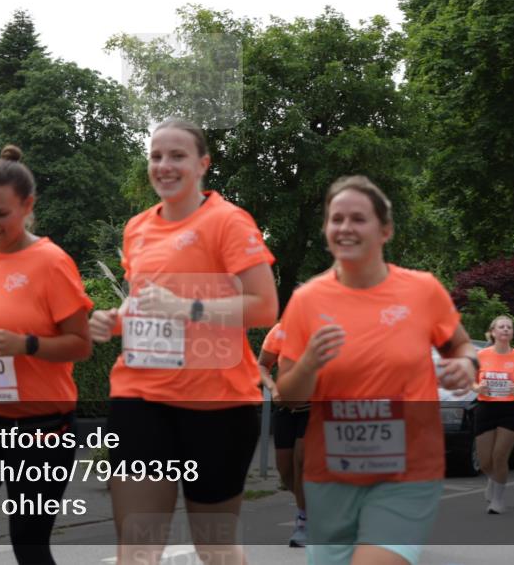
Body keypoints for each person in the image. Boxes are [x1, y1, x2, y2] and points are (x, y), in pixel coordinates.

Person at [89, 118, 278, 565]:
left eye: (177, 156)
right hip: (141, 397)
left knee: (213, 546)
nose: (164, 165)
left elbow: (264, 307)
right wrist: (114, 321)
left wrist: (187, 308)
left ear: (202, 164)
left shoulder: (228, 222)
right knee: (136, 547)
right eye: (156, 156)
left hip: (216, 403)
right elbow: (148, 303)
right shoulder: (137, 228)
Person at [276, 175, 477, 565]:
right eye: (336, 219)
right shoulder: (306, 300)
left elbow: (461, 345)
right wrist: (310, 363)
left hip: (406, 471)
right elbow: (289, 394)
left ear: (385, 230)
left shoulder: (422, 290)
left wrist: (466, 363)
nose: (345, 228)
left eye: (357, 218)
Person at [0, 145, 93, 565]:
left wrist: (25, 344)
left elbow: (81, 344)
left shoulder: (52, 262)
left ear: (27, 206)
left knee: (28, 543)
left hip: (41, 428)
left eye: (1, 214)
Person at [473, 315, 514, 514]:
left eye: (509, 327)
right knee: (484, 462)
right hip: (486, 408)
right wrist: (478, 387)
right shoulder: (481, 355)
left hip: (510, 410)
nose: (506, 329)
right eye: (501, 327)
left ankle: (498, 500)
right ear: (493, 332)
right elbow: (470, 382)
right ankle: (493, 479)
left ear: (512, 333)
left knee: (500, 456)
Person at [257, 322, 308, 547]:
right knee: (285, 469)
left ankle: (304, 522)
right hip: (286, 407)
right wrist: (273, 388)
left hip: (316, 409)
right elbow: (262, 365)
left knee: (302, 461)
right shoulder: (280, 331)